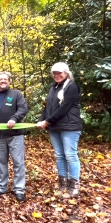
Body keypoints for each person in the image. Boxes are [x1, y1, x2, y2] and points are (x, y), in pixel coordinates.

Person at [37, 62, 83, 198]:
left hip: (69, 127)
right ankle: (62, 183)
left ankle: (74, 186)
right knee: (59, 156)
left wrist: (47, 121)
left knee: (70, 155)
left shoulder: (71, 87)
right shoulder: (53, 88)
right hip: (54, 127)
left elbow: (64, 108)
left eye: (59, 73)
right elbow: (48, 108)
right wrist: (41, 119)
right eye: (54, 73)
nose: (57, 75)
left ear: (66, 73)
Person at [0, 72, 28, 203]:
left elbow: (23, 108)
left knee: (18, 162)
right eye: (0, 79)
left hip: (15, 135)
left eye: (5, 79)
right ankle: (2, 186)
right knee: (1, 162)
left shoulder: (16, 95)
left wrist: (14, 118)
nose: (3, 81)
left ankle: (19, 189)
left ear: (9, 81)